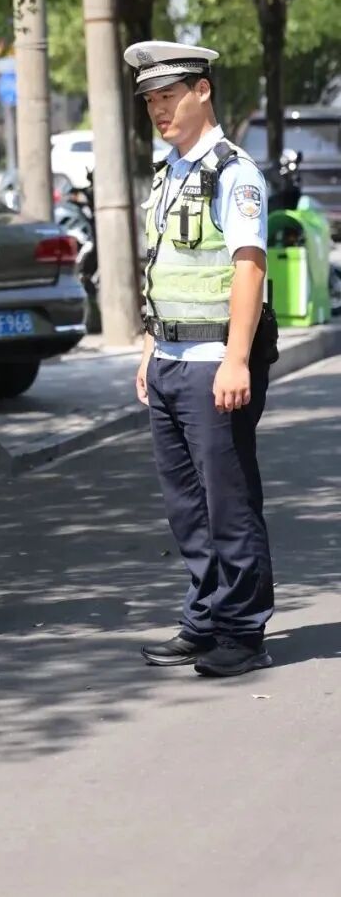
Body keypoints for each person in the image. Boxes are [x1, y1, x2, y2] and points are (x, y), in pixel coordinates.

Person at [127, 40, 276, 678]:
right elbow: (162, 268)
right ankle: (206, 618)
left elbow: (249, 268)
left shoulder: (233, 173)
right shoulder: (169, 172)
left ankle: (243, 630)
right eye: (151, 101)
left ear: (203, 91)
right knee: (186, 506)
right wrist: (148, 348)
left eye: (169, 96)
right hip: (169, 357)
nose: (159, 110)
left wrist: (237, 359)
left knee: (228, 502)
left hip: (215, 358)